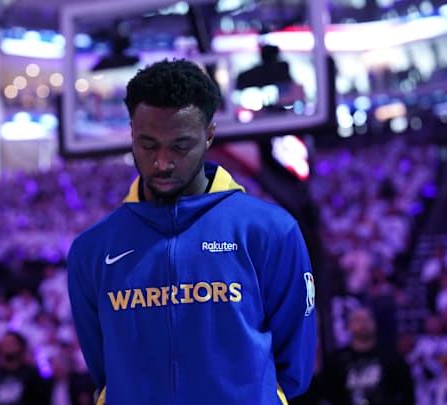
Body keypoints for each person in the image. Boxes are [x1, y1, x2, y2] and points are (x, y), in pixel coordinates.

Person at [67, 58, 316, 404]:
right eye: (148, 144)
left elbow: (294, 368)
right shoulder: (92, 249)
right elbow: (104, 372)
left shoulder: (271, 232)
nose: (163, 161)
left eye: (180, 146)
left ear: (209, 134)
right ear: (131, 134)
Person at [323, 306, 414, 404]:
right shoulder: (336, 360)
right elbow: (329, 396)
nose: (363, 324)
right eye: (358, 320)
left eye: (367, 319)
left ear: (375, 324)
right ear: (349, 326)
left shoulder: (392, 357)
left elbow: (407, 393)